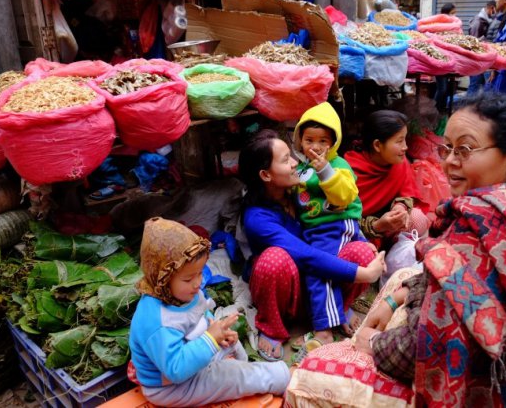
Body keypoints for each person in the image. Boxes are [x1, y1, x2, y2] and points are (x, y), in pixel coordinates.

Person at [286, 92, 506, 407]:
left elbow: (420, 348)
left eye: (465, 150)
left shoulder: (481, 229)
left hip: (492, 385)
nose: (450, 162)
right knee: (402, 277)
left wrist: (370, 342)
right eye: (448, 148)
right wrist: (393, 297)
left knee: (307, 377)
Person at [238, 130, 386, 360]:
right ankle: (272, 327)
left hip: (317, 286)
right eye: (286, 160)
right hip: (288, 294)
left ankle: (335, 308)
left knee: (361, 251)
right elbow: (305, 255)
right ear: (266, 175)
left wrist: (364, 241)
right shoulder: (257, 218)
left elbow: (337, 222)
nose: (297, 163)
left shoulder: (301, 192)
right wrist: (362, 274)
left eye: (292, 156)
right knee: (274, 259)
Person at [129, 217, 290, 407]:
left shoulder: (183, 293)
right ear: (161, 280)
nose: (197, 283)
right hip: (170, 386)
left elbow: (200, 314)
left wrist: (215, 328)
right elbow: (176, 369)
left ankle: (245, 370)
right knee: (233, 376)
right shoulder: (156, 321)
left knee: (234, 353)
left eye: (199, 273)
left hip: (190, 358)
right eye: (188, 279)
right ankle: (285, 378)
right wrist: (210, 339)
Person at [292, 102, 367, 342]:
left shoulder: (337, 165)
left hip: (335, 223)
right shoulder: (302, 168)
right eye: (309, 140)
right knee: (311, 265)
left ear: (333, 142)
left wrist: (326, 171)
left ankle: (325, 326)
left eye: (323, 141)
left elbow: (345, 196)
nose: (315, 147)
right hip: (314, 229)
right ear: (299, 141)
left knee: (320, 268)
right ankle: (340, 309)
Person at [344, 110, 430, 246]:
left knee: (417, 218)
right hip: (360, 233)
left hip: (390, 227)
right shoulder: (348, 172)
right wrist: (377, 226)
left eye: (405, 140)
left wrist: (400, 207)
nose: (405, 147)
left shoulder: (399, 163)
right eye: (399, 141)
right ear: (377, 145)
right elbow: (343, 221)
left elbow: (407, 193)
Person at [467, 0, 497, 95]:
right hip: (476, 61)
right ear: (492, 8)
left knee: (479, 88)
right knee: (475, 87)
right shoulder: (479, 22)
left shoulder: (486, 21)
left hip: (482, 61)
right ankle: (466, 108)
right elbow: (474, 44)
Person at [434, 3, 457, 113]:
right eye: (452, 13)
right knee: (442, 88)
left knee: (445, 88)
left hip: (450, 60)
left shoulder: (453, 26)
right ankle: (434, 110)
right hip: (440, 60)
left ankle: (441, 110)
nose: (454, 16)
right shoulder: (439, 26)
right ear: (446, 14)